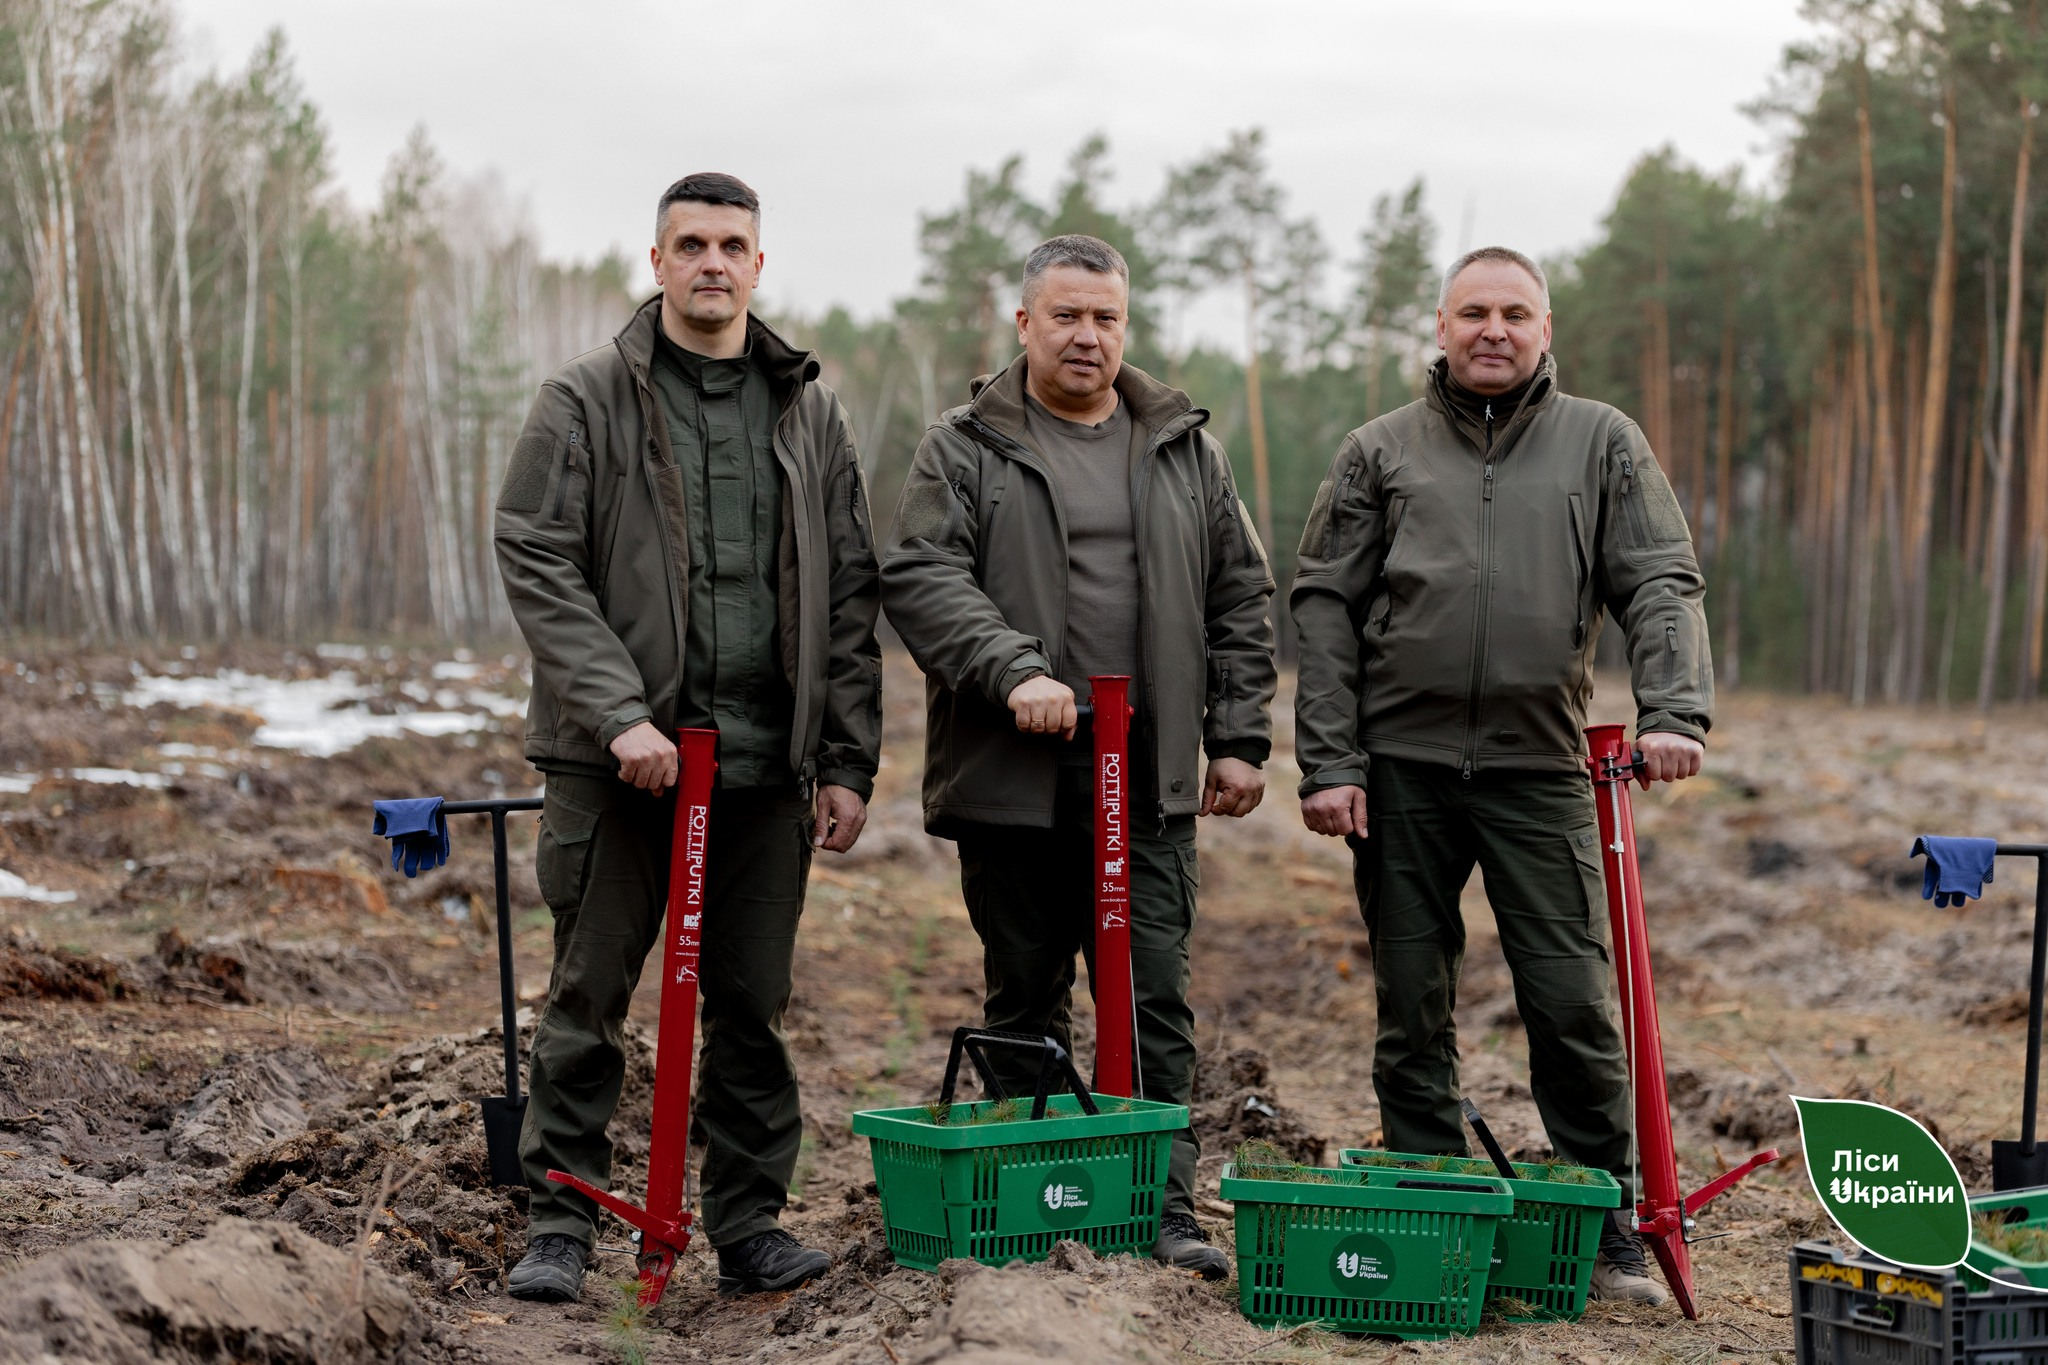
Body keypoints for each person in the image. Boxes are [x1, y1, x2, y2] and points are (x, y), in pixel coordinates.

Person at [1289, 245, 1712, 1306]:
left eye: (1512, 313)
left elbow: (1658, 580)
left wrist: (1672, 713)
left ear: (1544, 327)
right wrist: (1329, 761)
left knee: (1570, 998)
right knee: (1411, 998)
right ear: (1436, 326)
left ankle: (1596, 1216)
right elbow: (1322, 608)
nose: (1491, 329)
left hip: (1538, 766)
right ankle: (1428, 1198)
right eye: (1470, 311)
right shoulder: (1376, 452)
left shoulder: (1602, 443)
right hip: (1397, 772)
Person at [493, 172, 881, 1302]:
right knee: (587, 995)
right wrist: (617, 713)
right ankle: (561, 1222)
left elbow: (849, 592)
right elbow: (535, 554)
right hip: (616, 765)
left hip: (764, 765)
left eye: (732, 246)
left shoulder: (807, 409)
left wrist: (846, 756)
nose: (712, 263)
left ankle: (748, 1221)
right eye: (690, 244)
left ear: (760, 266)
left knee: (749, 1004)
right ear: (655, 262)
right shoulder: (584, 399)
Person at [880, 234, 1276, 1281]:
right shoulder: (963, 445)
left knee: (1151, 994)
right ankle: (1027, 1196)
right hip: (1015, 771)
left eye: (1103, 317)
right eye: (1064, 316)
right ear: (1023, 324)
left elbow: (1240, 596)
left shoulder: (1184, 445)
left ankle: (1159, 1204)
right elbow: (922, 578)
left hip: (1146, 777)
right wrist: (1013, 671)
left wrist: (1235, 738)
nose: (1085, 335)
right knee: (1023, 994)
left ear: (1123, 326)